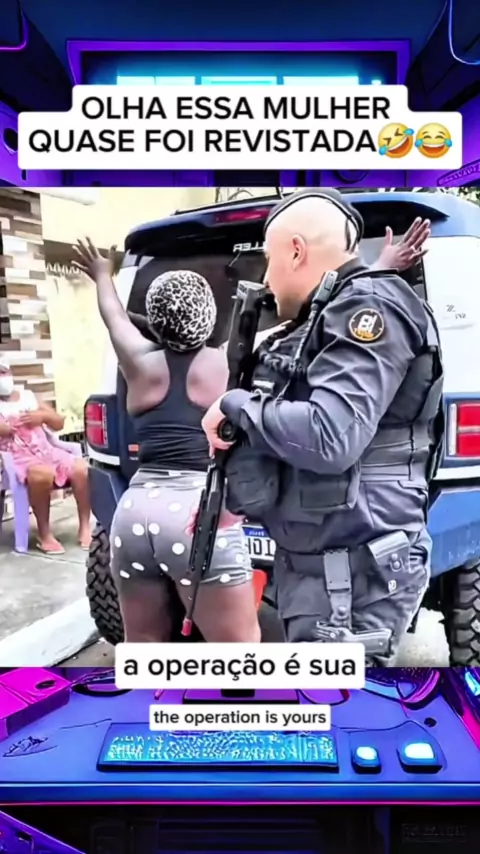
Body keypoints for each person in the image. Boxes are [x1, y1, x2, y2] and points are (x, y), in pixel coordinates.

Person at [199, 189, 443, 665]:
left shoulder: (366, 307)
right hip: (328, 567)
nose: (267, 279)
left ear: (296, 251)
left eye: (269, 261)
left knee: (332, 705)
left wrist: (236, 405)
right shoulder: (332, 310)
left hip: (349, 579)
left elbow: (331, 436)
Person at [72, 239, 259, 644]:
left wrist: (103, 275)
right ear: (208, 317)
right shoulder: (226, 364)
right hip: (196, 515)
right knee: (239, 652)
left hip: (134, 513)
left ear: (155, 322)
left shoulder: (138, 362)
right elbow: (287, 329)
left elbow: (113, 316)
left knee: (142, 646)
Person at [0, 356, 91, 554]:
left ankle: (85, 526)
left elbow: (58, 423)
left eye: (2, 372)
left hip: (47, 451)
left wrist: (42, 416)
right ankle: (44, 533)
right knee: (42, 474)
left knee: (81, 468)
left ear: (9, 373)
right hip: (17, 459)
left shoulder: (28, 397)